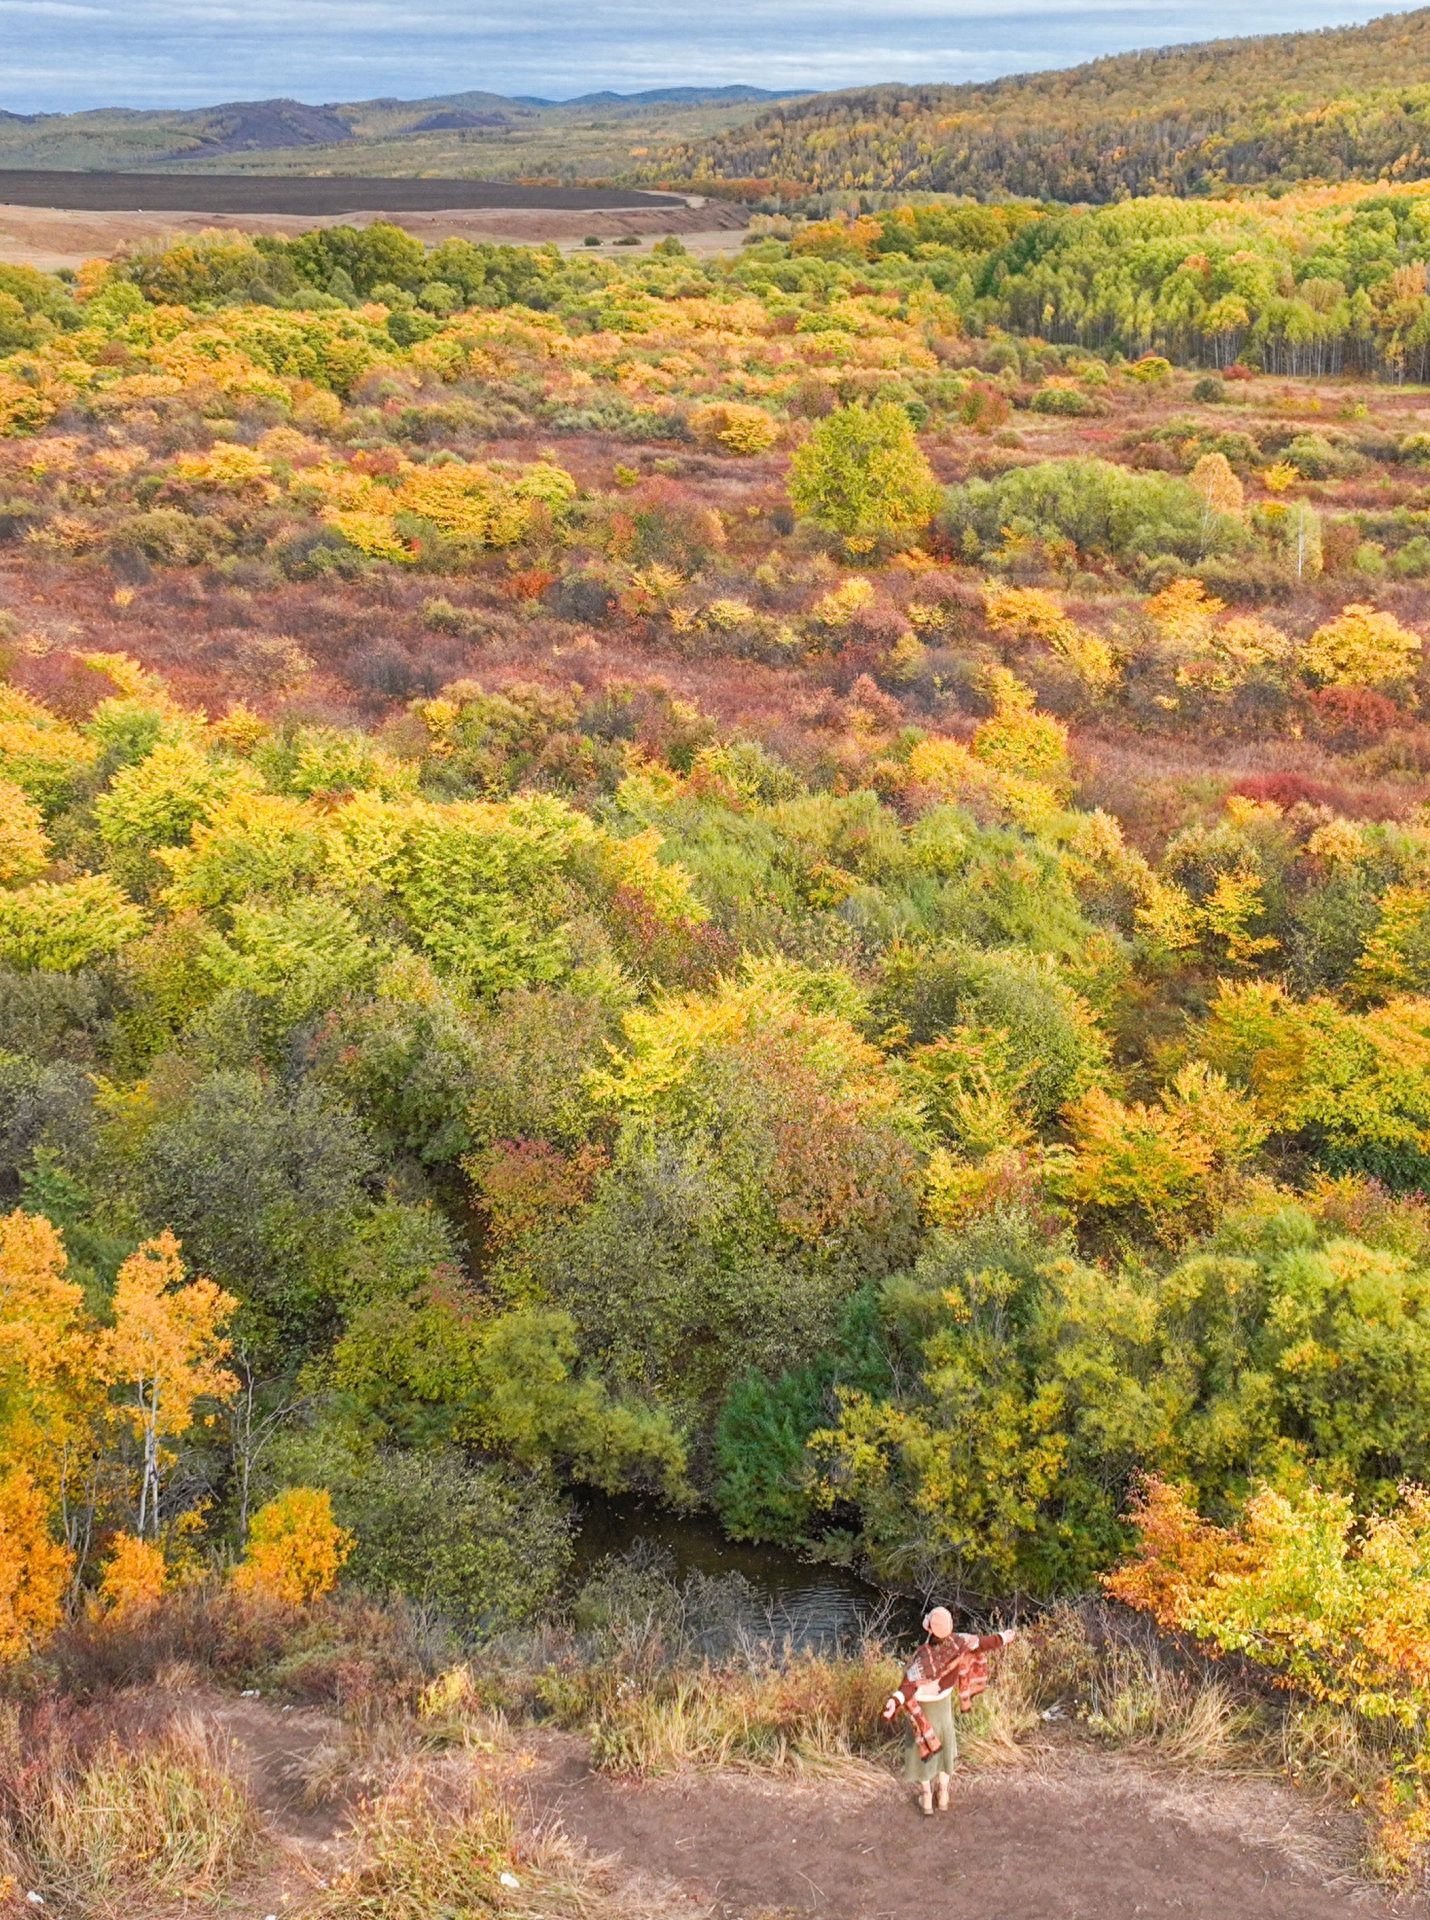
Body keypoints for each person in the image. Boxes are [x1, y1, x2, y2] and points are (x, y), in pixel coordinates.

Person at [899, 1607, 1016, 1815]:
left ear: (929, 1629)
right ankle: (943, 1793)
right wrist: (1004, 1637)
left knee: (921, 1750)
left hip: (922, 1711)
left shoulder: (921, 1659)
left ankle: (926, 1798)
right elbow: (985, 1642)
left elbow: (906, 1688)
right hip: (942, 1708)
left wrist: (895, 1700)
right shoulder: (960, 1643)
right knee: (945, 1751)